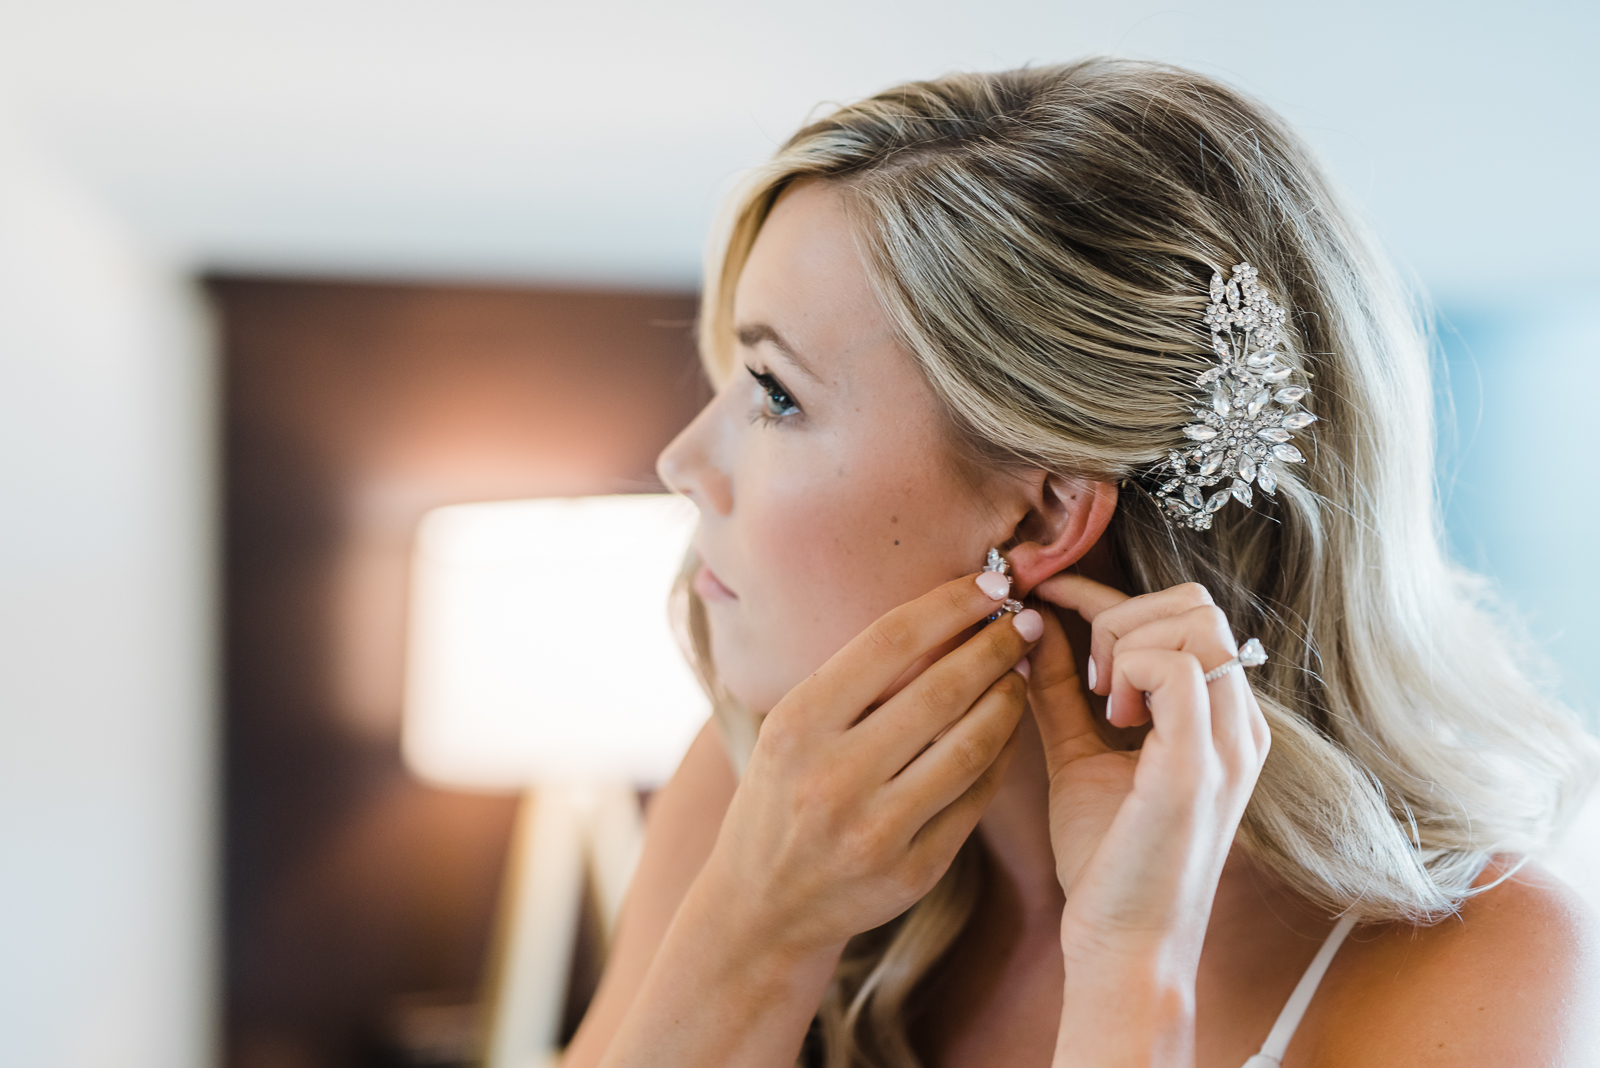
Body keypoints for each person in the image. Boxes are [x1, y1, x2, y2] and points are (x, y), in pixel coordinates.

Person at [562, 58, 1600, 1067]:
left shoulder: (1477, 961)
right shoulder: (765, 787)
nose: (681, 459)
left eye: (774, 394)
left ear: (1042, 516)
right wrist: (757, 934)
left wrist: (1127, 969)